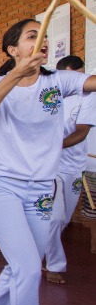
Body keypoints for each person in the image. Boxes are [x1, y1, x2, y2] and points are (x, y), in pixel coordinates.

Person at [0, 19, 96, 305]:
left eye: (44, 35)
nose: (41, 41)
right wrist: (15, 75)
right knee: (28, 268)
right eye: (32, 36)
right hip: (2, 187)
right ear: (13, 50)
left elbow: (91, 82)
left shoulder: (59, 81)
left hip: (42, 189)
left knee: (20, 265)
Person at [44, 55, 95, 284]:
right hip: (48, 166)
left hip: (74, 166)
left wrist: (56, 145)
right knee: (54, 217)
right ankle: (54, 264)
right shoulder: (48, 95)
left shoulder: (88, 97)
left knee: (63, 220)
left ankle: (41, 250)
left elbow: (81, 132)